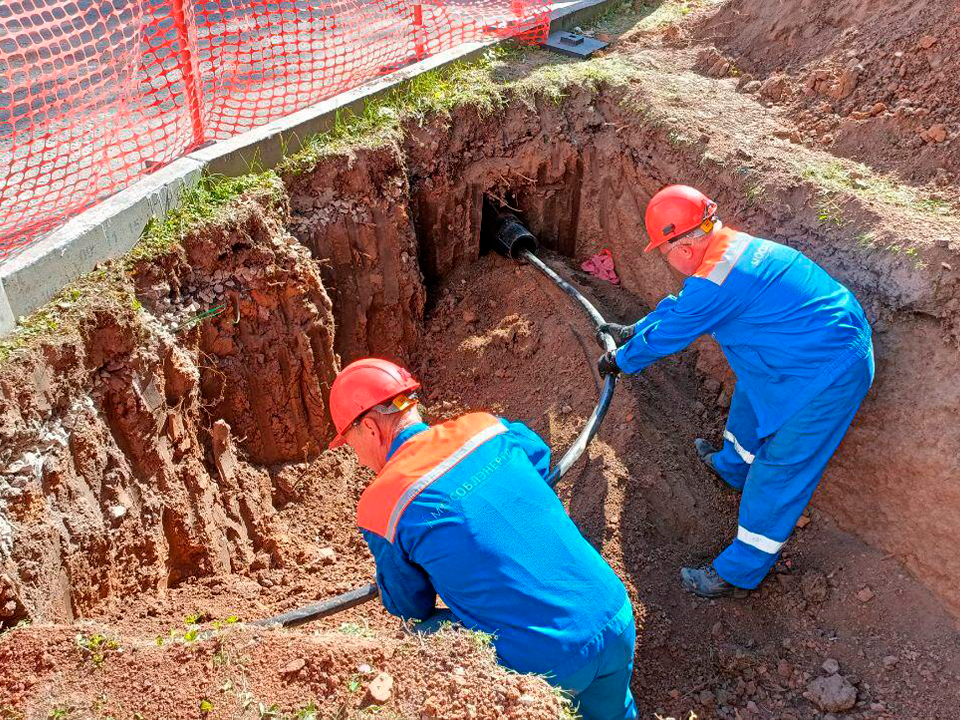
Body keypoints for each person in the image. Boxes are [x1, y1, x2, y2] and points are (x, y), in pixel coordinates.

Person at [597, 185, 874, 598]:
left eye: (662, 251)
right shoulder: (728, 248)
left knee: (780, 470)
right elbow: (685, 306)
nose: (665, 259)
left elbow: (675, 330)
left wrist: (619, 360)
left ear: (684, 248)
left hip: (829, 371)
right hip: (803, 346)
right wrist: (635, 329)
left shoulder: (716, 282)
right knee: (749, 395)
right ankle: (732, 466)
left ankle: (738, 571)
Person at [327, 358, 638, 720]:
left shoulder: (382, 504)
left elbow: (410, 605)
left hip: (547, 661)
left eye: (351, 445)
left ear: (370, 428)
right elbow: (538, 457)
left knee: (417, 632)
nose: (360, 460)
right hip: (613, 614)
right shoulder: (484, 426)